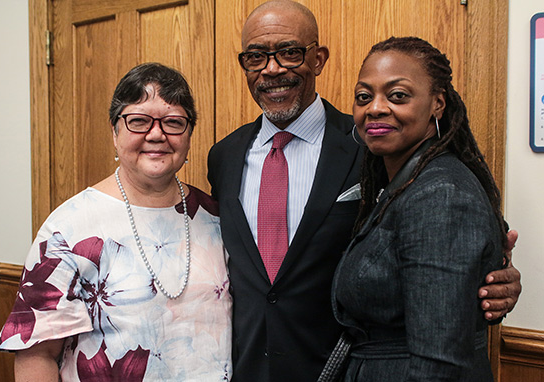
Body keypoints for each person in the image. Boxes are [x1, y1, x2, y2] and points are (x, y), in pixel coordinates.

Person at [207, 1, 521, 382]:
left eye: (290, 52)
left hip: (343, 369)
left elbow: (460, 246)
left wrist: (495, 282)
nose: (272, 69)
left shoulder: (371, 148)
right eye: (256, 57)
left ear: (318, 58)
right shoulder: (223, 156)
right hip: (248, 368)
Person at [0, 63, 232, 381]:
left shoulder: (215, 217)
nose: (157, 134)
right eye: (138, 121)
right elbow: (37, 355)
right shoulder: (69, 228)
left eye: (174, 122)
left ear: (189, 134)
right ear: (114, 130)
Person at [331, 36, 508, 381]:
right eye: (363, 97)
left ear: (437, 104)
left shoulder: (441, 194)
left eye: (398, 96)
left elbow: (440, 365)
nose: (375, 108)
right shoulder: (404, 182)